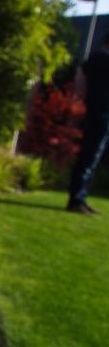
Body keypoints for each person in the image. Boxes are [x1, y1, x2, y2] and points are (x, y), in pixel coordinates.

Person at [67, 31, 109, 214]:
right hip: (99, 115)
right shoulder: (100, 60)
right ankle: (76, 199)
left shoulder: (97, 60)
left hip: (100, 114)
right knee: (89, 157)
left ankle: (80, 197)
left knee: (92, 158)